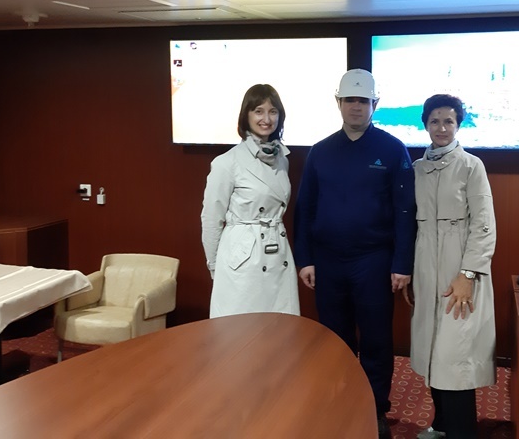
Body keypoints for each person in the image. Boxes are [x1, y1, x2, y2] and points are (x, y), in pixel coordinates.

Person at [294, 69, 416, 439]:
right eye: (350, 100)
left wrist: (402, 263)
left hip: (373, 261)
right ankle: (341, 403)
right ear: (338, 103)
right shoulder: (320, 151)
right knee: (336, 339)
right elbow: (305, 209)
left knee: (376, 339)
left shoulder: (392, 149)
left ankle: (375, 408)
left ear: (375, 104)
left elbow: (405, 211)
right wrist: (305, 259)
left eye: (363, 101)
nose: (356, 107)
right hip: (328, 260)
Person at [409, 94, 497, 439]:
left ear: (458, 124)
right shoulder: (417, 168)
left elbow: (484, 224)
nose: (441, 128)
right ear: (425, 125)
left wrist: (468, 274)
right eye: (435, 121)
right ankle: (442, 425)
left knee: (455, 356)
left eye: (448, 121)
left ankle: (461, 432)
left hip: (459, 266)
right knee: (432, 350)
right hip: (426, 264)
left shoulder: (471, 166)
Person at [201, 83, 300, 318]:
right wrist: (215, 265)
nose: (266, 119)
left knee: (279, 327)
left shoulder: (282, 159)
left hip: (278, 248)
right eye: (258, 111)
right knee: (240, 328)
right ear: (246, 115)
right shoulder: (227, 162)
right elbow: (211, 218)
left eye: (273, 111)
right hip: (242, 256)